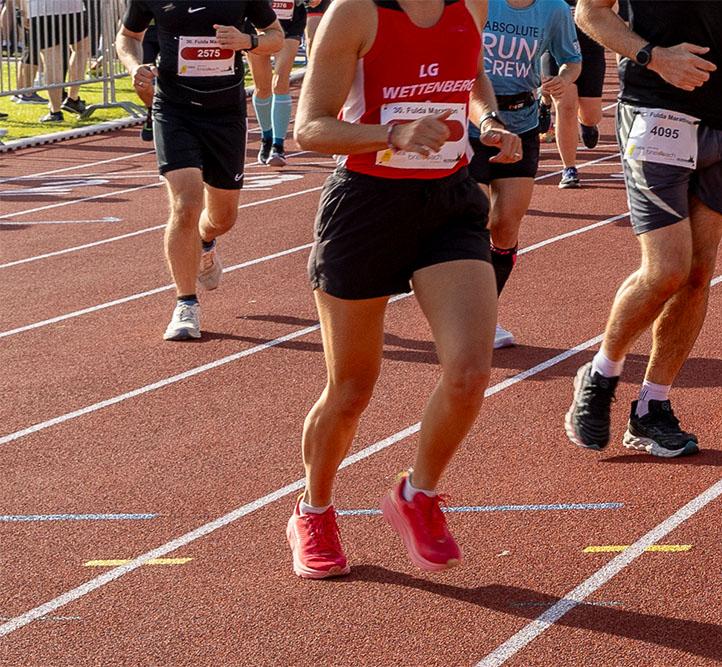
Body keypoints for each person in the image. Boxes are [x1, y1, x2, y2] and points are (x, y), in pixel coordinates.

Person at [287, 0, 521, 577]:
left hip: (449, 202)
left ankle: (417, 494)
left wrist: (486, 119)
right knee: (350, 389)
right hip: (366, 206)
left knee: (470, 371)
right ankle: (313, 510)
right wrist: (393, 133)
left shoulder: (473, 5)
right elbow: (310, 127)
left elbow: (470, 74)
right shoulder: (356, 13)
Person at [566, 0, 722, 456]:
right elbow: (590, 13)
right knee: (667, 269)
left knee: (698, 276)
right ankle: (601, 372)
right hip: (656, 112)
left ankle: (651, 409)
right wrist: (654, 57)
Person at [116, 1, 283, 340]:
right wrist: (134, 65)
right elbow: (128, 36)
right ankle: (185, 303)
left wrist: (247, 42)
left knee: (223, 217)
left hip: (225, 113)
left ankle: (205, 241)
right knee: (186, 204)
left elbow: (276, 36)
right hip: (174, 109)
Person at [473, 0, 581, 348]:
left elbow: (572, 59)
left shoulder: (554, 9)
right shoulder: (481, 3)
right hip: (472, 123)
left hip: (522, 122)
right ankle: (462, 311)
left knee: (505, 227)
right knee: (472, 219)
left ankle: (483, 315)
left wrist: (562, 81)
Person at [539, 0, 607, 189]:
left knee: (592, 116)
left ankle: (587, 124)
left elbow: (612, 12)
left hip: (590, 47)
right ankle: (569, 169)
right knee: (566, 106)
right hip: (554, 47)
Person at [248, 0, 312, 166]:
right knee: (262, 88)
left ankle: (278, 146)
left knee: (280, 82)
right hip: (256, 25)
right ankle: (267, 137)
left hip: (289, 25)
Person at [19, 0, 90, 123]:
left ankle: (56, 110)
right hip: (70, 7)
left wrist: (23, 9)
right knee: (79, 49)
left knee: (51, 57)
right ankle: (71, 98)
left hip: (41, 9)